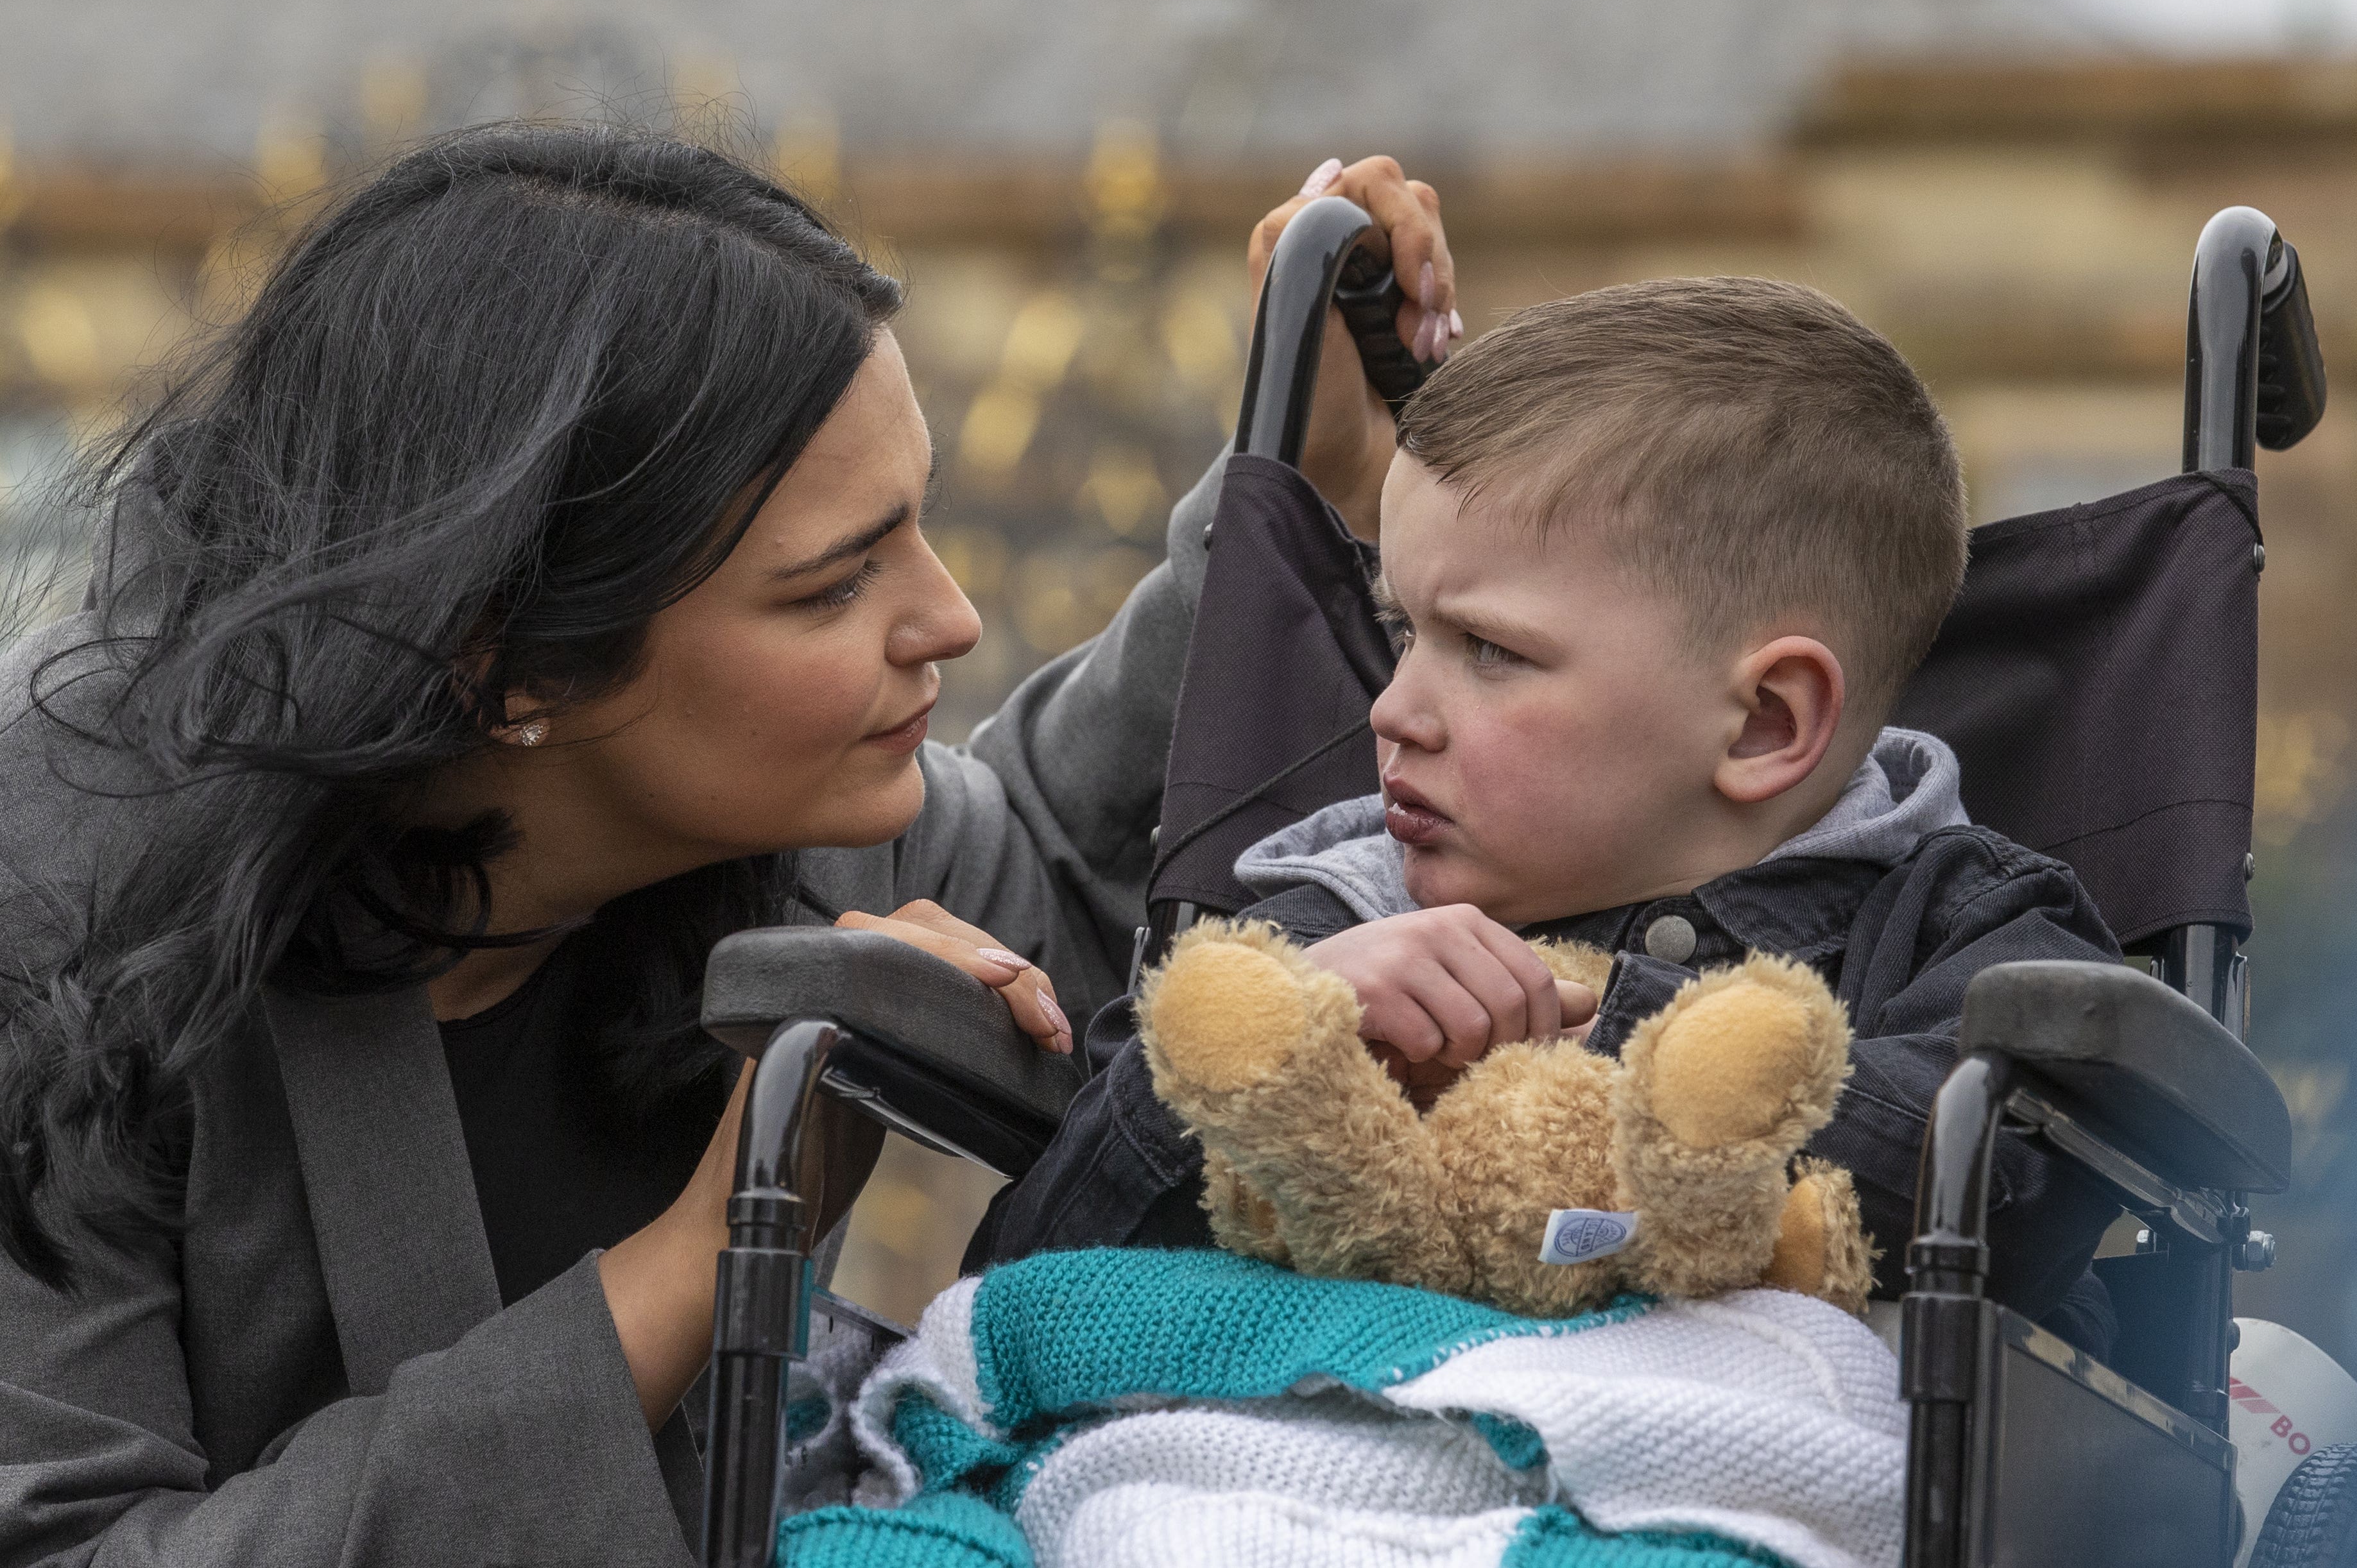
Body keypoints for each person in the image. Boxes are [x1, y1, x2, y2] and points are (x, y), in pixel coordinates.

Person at [0, 124, 1457, 1565]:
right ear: (504, 661)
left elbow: (1067, 874)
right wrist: (717, 1251)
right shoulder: (59, 913)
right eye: (834, 584)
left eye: (920, 526)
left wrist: (1305, 472)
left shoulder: (770, 834)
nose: (949, 619)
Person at [975, 277, 2125, 1356]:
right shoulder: (1308, 928)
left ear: (1764, 724)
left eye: (1488, 649)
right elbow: (1026, 1283)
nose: (1392, 709)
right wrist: (1265, 1055)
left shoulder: (1969, 933)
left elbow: (2032, 1198)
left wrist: (1629, 1043)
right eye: (1402, 631)